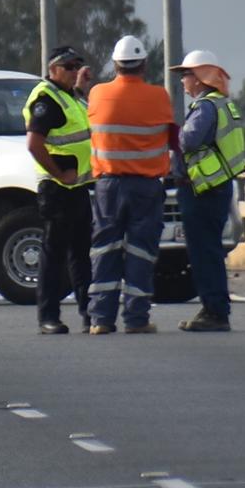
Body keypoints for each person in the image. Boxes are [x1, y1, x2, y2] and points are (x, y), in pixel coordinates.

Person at [85, 36, 177, 334]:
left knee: (104, 249)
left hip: (108, 186)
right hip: (146, 187)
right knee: (141, 251)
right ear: (144, 65)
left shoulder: (97, 94)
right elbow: (171, 136)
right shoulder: (159, 97)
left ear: (115, 64)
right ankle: (136, 319)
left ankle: (101, 320)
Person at [169, 50, 245, 332]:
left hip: (203, 189)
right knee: (210, 251)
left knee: (204, 252)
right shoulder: (222, 104)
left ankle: (214, 311)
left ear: (200, 79)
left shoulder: (205, 108)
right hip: (216, 187)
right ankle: (213, 307)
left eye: (186, 75)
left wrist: (171, 134)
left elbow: (188, 141)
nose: (182, 81)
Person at [23, 45, 95, 335]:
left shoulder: (69, 97)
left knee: (81, 252)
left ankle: (89, 313)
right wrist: (58, 173)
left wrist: (80, 88)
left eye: (77, 66)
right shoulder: (46, 98)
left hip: (77, 188)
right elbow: (34, 143)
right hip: (57, 188)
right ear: (53, 69)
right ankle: (48, 316)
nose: (74, 71)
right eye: (68, 66)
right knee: (54, 255)